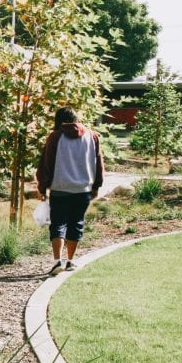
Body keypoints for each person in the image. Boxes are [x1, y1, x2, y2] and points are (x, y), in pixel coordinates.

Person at [36, 106, 104, 275]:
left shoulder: (55, 137)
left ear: (58, 120)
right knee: (76, 224)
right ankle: (70, 261)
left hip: (60, 187)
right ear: (76, 119)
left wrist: (42, 187)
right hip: (83, 189)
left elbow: (46, 164)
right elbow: (99, 164)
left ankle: (57, 260)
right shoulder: (92, 136)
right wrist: (96, 186)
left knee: (58, 223)